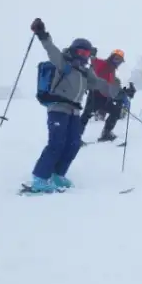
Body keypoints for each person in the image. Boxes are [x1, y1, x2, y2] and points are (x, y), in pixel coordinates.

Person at [27, 18, 135, 194]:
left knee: (74, 143)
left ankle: (58, 174)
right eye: (80, 51)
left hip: (74, 111)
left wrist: (120, 93)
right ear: (73, 50)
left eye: (86, 53)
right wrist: (42, 34)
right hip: (58, 108)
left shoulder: (85, 71)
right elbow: (51, 49)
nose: (83, 55)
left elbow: (101, 84)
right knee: (56, 143)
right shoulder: (63, 62)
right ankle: (39, 178)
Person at [80, 49, 135, 142]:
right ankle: (75, 136)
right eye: (116, 58)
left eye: (120, 60)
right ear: (111, 57)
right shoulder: (103, 63)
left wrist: (125, 91)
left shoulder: (112, 71)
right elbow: (94, 61)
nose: (118, 62)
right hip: (95, 94)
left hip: (105, 97)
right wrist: (91, 54)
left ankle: (106, 133)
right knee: (86, 115)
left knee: (116, 111)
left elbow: (111, 87)